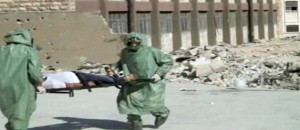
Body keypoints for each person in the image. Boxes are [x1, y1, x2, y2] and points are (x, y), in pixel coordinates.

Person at [117, 33, 173, 130]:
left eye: (136, 43)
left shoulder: (152, 51)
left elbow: (167, 62)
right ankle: (136, 123)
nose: (134, 46)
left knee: (153, 105)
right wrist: (119, 72)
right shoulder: (125, 52)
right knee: (129, 103)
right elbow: (121, 63)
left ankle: (162, 113)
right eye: (131, 43)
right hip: (132, 82)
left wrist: (159, 74)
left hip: (151, 83)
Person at [0, 29, 43, 130]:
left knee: (10, 112)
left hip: (3, 86)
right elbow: (34, 72)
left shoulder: (2, 50)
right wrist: (39, 82)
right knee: (21, 114)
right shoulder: (29, 51)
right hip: (23, 87)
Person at [38, 68, 137, 93]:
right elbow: (71, 86)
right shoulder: (49, 83)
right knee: (109, 80)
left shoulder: (44, 77)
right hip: (80, 79)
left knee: (105, 78)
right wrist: (86, 85)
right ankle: (124, 79)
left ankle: (115, 77)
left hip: (77, 74)